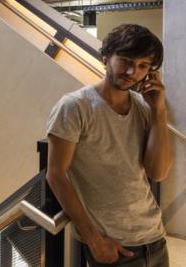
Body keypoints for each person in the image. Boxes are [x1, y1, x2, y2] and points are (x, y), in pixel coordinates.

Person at [46, 24, 172, 266]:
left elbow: (158, 172)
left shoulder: (144, 108)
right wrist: (94, 241)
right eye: (125, 60)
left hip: (155, 239)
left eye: (143, 66)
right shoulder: (75, 106)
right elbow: (56, 175)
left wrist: (159, 111)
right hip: (113, 248)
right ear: (105, 57)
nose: (132, 71)